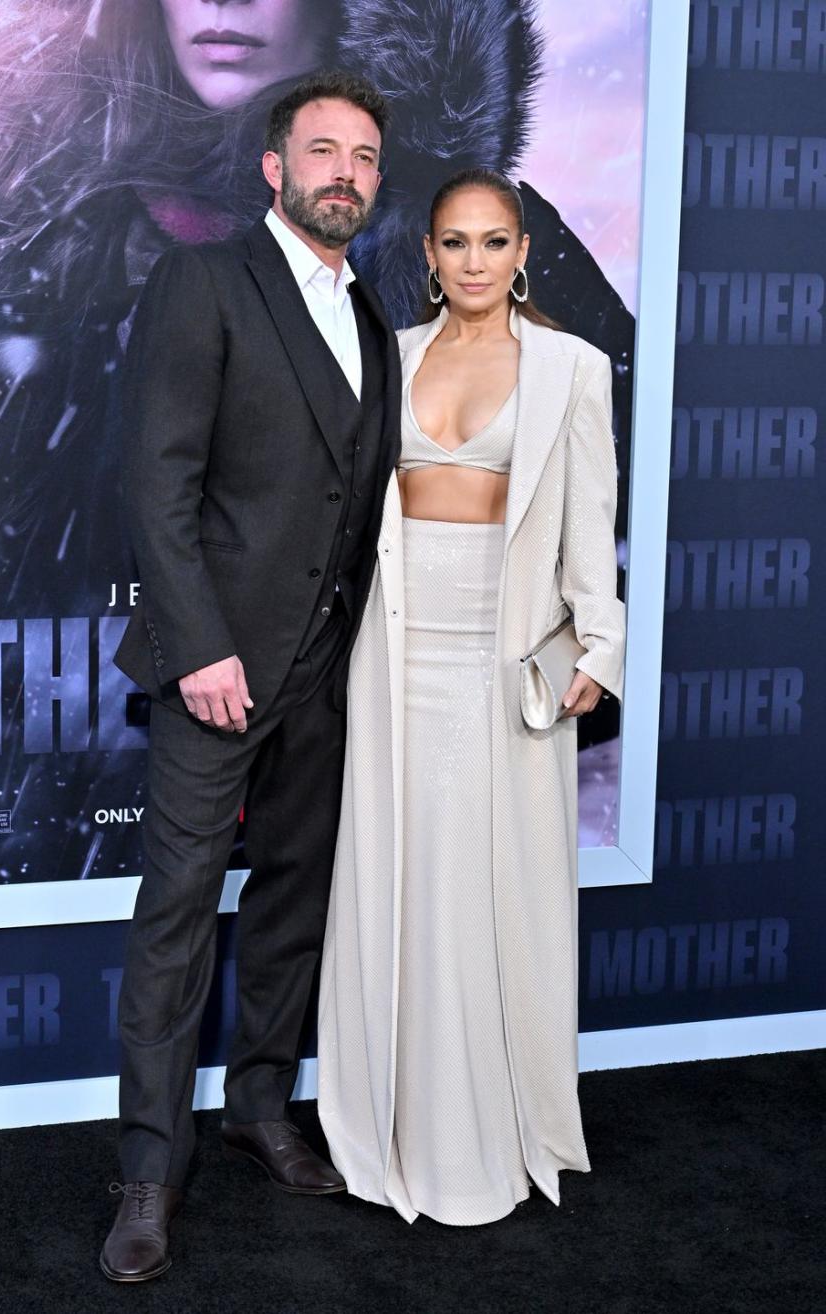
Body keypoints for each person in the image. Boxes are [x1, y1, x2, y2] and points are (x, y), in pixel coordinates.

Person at [0, 0, 629, 893]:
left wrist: (502, 688)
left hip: (372, 786)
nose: (221, 4)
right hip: (80, 792)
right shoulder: (44, 221)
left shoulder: (459, 237)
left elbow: (607, 507)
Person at [99, 71, 400, 1282]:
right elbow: (156, 484)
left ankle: (263, 1110)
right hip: (215, 670)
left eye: (365, 157)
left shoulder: (374, 315)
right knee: (177, 921)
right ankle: (146, 1178)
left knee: (291, 903)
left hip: (329, 673)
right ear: (273, 168)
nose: (345, 172)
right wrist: (202, 645)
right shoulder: (206, 281)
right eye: (322, 150)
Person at [318, 168, 626, 1226]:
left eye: (495, 242)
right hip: (389, 656)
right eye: (456, 243)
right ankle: (396, 1125)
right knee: (397, 880)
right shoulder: (387, 360)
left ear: (525, 249)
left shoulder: (573, 370)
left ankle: (492, 1134)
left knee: (498, 886)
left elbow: (593, 524)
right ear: (430, 256)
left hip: (505, 656)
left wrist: (601, 642)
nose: (476, 262)